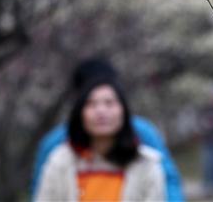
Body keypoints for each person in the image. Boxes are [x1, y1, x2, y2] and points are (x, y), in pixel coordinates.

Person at [31, 58, 184, 202]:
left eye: (109, 102)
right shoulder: (58, 153)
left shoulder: (144, 143)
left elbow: (167, 181)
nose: (101, 111)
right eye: (92, 102)